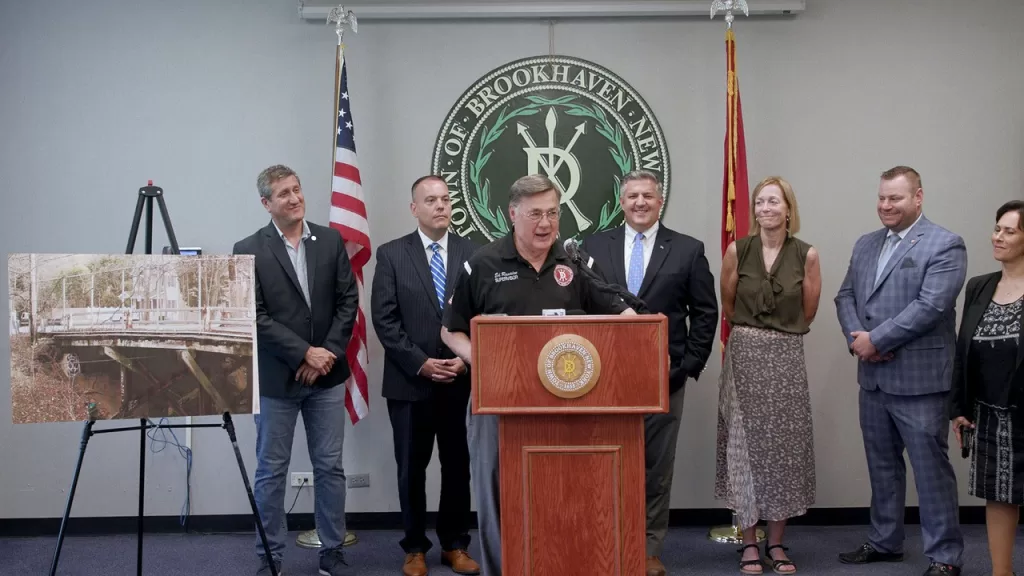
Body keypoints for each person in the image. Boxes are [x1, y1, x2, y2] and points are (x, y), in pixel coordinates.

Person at [440, 174, 636, 576]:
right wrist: (484, 358)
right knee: (497, 496)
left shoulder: (574, 262)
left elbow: (618, 313)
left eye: (552, 213)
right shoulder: (483, 263)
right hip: (498, 399)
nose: (546, 223)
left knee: (560, 491)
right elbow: (450, 329)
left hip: (566, 403)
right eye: (535, 215)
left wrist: (640, 327)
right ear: (513, 215)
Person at [583, 169, 718, 576]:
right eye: (632, 196)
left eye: (648, 195)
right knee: (605, 465)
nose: (640, 202)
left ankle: (647, 547)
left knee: (656, 469)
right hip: (602, 381)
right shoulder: (592, 247)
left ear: (661, 201)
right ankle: (607, 541)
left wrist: (687, 367)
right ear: (621, 202)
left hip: (664, 379)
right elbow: (584, 306)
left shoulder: (688, 250)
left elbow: (706, 314)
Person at [834, 165, 967, 576]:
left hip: (920, 382)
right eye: (881, 198)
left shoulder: (945, 245)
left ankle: (945, 556)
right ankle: (886, 541)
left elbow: (930, 306)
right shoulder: (866, 243)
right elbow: (846, 296)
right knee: (882, 467)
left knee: (931, 472)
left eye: (896, 198)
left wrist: (877, 340)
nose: (886, 206)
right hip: (873, 380)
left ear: (918, 197)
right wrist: (860, 340)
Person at [233, 164, 359, 576]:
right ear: (266, 203)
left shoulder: (331, 240)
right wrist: (304, 353)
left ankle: (332, 553)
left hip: (326, 378)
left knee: (330, 468)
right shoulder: (248, 248)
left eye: (297, 189)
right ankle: (270, 559)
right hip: (275, 382)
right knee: (271, 472)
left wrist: (326, 354)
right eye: (283, 193)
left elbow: (347, 302)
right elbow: (255, 316)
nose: (294, 198)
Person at [370, 175, 481, 576]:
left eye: (446, 199)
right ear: (414, 208)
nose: (440, 206)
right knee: (410, 468)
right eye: (430, 200)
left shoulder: (476, 254)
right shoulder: (391, 254)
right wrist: (420, 362)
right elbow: (384, 319)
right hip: (410, 383)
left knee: (458, 465)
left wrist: (466, 361)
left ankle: (455, 544)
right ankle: (414, 547)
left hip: (460, 380)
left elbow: (484, 316)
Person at [716, 176, 820, 575]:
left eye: (774, 202)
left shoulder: (807, 254)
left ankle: (776, 544)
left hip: (786, 357)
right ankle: (748, 543)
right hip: (744, 354)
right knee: (743, 449)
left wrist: (779, 334)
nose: (765, 208)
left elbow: (808, 310)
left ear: (788, 209)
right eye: (760, 202)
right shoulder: (737, 251)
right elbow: (728, 303)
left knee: (783, 449)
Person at [949, 200, 1024, 576]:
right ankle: (1001, 572)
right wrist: (958, 406)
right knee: (999, 497)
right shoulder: (979, 287)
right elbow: (963, 352)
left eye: (1009, 231)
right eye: (997, 228)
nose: (997, 236)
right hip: (989, 414)